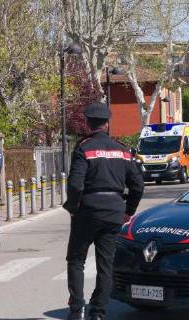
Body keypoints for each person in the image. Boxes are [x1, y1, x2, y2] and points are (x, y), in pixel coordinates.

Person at [63, 102, 144, 320]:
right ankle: (98, 311)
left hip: (87, 210)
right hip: (114, 211)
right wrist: (129, 211)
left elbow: (75, 185)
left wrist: (73, 207)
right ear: (107, 124)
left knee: (76, 260)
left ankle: (76, 308)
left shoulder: (84, 148)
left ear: (88, 124)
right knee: (105, 265)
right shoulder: (123, 151)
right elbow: (138, 185)